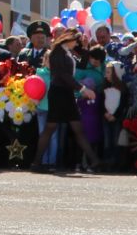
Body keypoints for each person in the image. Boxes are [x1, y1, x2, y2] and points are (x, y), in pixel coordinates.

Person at [36, 27, 101, 173]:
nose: (77, 44)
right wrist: (83, 89)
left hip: (66, 93)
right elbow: (63, 76)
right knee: (50, 128)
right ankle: (37, 162)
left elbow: (82, 62)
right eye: (76, 41)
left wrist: (85, 48)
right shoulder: (57, 53)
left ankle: (95, 160)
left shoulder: (68, 52)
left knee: (77, 128)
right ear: (70, 39)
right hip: (59, 93)